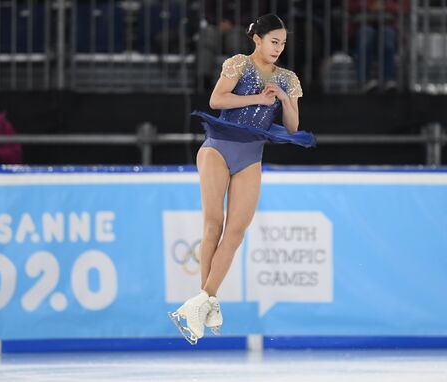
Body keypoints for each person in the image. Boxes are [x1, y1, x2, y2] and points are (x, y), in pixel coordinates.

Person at [169, 14, 315, 345]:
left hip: (251, 156)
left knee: (235, 233)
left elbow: (292, 128)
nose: (278, 48)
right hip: (218, 150)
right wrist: (257, 99)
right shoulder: (238, 64)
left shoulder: (288, 78)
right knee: (213, 226)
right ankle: (205, 302)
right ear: (257, 40)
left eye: (283, 43)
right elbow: (216, 100)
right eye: (273, 41)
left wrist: (284, 98)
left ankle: (203, 301)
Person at [348, 0, 410, 93]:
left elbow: (405, 7)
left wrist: (385, 6)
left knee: (387, 35)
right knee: (366, 34)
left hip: (389, 25)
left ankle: (388, 79)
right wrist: (370, 5)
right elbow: (349, 5)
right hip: (361, 25)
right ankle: (365, 81)